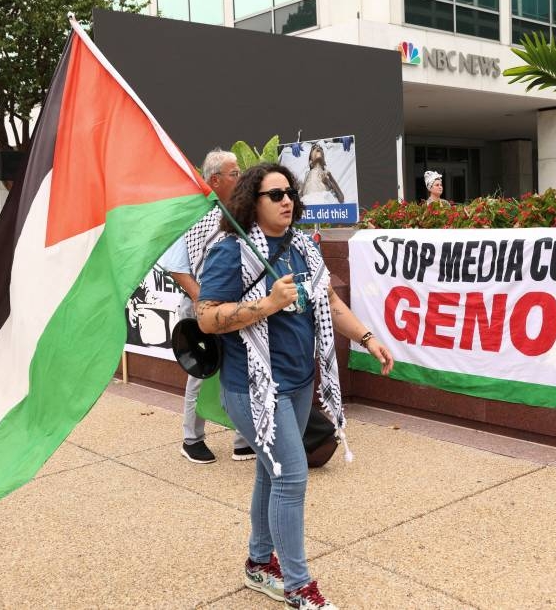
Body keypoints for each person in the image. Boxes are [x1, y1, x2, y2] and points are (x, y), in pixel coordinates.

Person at [196, 162, 394, 609]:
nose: (287, 200)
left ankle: (258, 562)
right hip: (253, 386)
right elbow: (207, 317)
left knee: (274, 471)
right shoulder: (232, 250)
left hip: (300, 380)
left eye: (289, 192)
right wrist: (267, 304)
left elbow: (329, 300)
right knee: (292, 476)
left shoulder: (302, 245)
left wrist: (366, 337)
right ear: (252, 202)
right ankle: (299, 586)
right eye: (274, 194)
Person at [159, 149, 254, 464]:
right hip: (203, 308)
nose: (239, 177)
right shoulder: (193, 213)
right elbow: (176, 266)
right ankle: (191, 439)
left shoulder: (239, 212)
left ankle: (243, 440)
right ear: (214, 179)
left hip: (237, 308)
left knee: (241, 369)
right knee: (201, 371)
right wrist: (203, 300)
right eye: (234, 173)